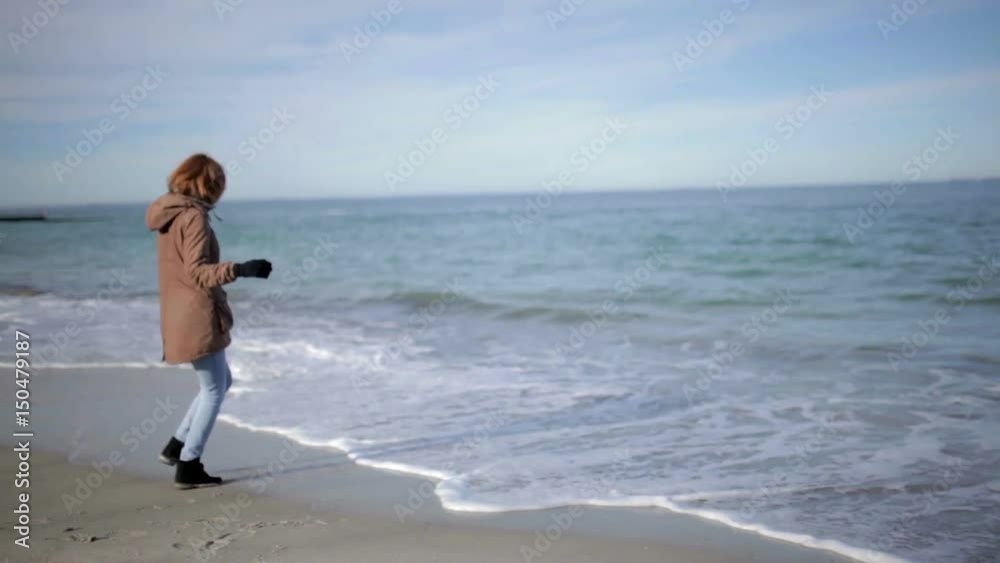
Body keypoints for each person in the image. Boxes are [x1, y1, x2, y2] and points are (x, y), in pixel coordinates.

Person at [145, 153, 272, 489]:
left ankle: (175, 447)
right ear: (207, 183)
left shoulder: (169, 214)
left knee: (219, 382)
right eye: (218, 184)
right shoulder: (193, 218)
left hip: (177, 312)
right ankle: (189, 464)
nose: (219, 191)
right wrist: (242, 269)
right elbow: (198, 272)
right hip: (196, 313)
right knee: (214, 390)